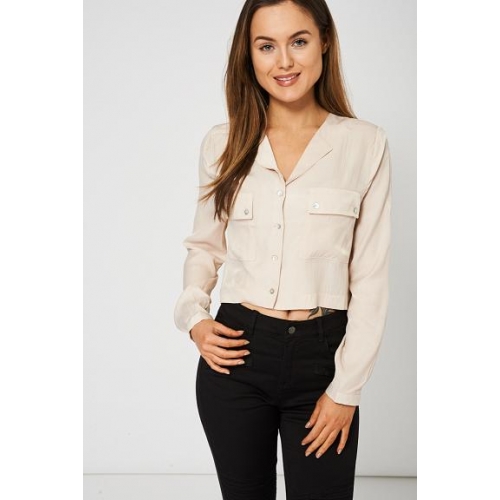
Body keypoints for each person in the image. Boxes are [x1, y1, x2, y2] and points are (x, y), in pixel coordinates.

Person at [173, 1, 392, 499]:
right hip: (237, 353)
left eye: (299, 41)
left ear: (324, 42)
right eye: (266, 46)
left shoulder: (365, 145)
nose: (284, 61)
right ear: (249, 55)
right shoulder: (223, 143)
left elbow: (371, 278)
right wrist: (195, 318)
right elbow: (204, 247)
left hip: (322, 358)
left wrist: (346, 390)